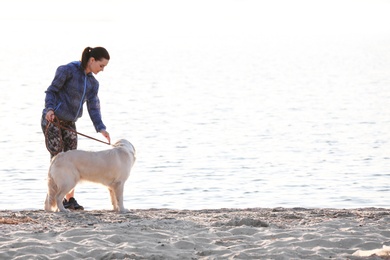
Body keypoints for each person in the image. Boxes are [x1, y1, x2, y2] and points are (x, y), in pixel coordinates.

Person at [41, 46, 111, 210]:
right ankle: (51, 200)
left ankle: (69, 200)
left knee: (72, 161)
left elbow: (93, 107)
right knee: (58, 160)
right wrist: (49, 109)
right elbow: (51, 91)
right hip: (54, 120)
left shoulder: (93, 83)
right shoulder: (67, 70)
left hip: (70, 124)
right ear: (92, 60)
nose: (102, 70)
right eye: (101, 66)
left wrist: (101, 128)